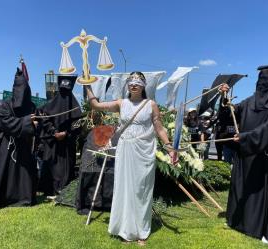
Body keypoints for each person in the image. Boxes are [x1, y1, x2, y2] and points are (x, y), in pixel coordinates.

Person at [85, 71, 176, 246]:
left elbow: (159, 128)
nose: (133, 85)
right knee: (124, 188)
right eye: (131, 82)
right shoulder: (121, 103)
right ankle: (124, 229)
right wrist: (87, 85)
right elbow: (96, 105)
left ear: (143, 86)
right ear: (128, 85)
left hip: (144, 151)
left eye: (138, 82)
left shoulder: (151, 105)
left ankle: (141, 230)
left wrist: (169, 148)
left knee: (141, 190)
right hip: (125, 149)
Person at [220, 65, 268, 243]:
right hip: (245, 155)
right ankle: (237, 222)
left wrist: (245, 137)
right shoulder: (250, 101)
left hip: (263, 156)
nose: (262, 84)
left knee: (260, 194)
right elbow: (232, 112)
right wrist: (224, 98)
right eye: (260, 80)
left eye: (265, 81)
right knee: (242, 190)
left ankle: (264, 231)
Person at [0, 68, 38, 211]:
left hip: (25, 145)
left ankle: (24, 197)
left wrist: (35, 124)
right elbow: (6, 122)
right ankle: (5, 198)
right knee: (6, 173)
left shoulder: (31, 106)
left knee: (24, 174)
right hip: (8, 145)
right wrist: (28, 121)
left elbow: (37, 125)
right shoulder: (5, 105)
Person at [38, 75, 82, 197]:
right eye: (62, 91)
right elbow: (43, 118)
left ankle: (64, 189)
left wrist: (66, 133)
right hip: (52, 143)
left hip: (67, 144)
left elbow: (78, 124)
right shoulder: (49, 105)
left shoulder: (75, 107)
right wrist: (53, 132)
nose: (64, 94)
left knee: (65, 168)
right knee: (51, 166)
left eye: (66, 91)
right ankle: (50, 189)